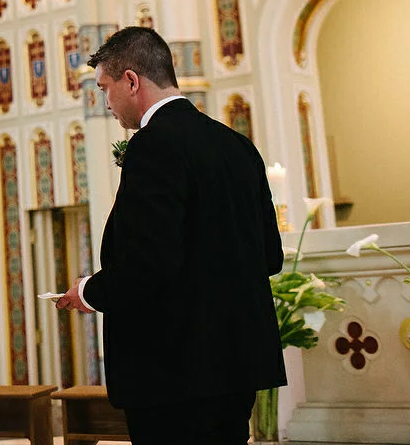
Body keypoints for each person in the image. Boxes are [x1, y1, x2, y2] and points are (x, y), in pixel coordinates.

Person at [55, 27, 284, 445]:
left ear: (131, 81)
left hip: (176, 371)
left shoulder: (153, 145)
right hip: (240, 362)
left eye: (105, 87)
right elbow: (270, 256)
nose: (105, 101)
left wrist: (90, 291)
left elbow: (151, 261)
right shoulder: (238, 146)